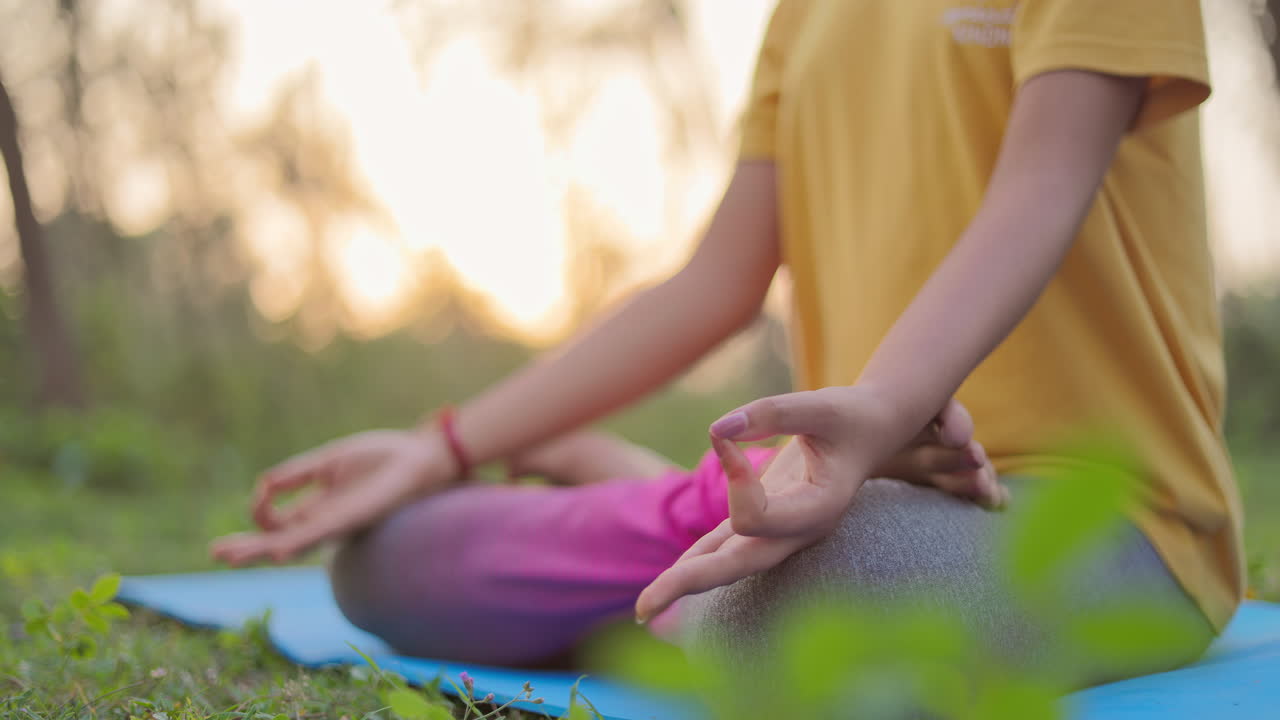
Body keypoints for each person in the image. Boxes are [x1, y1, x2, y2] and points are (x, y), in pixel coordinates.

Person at [212, 0, 1243, 684]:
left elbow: (1042, 182)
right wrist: (441, 447)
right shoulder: (806, 13)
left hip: (1096, 520)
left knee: (809, 610)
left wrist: (886, 405)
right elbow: (714, 282)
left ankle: (677, 559)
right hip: (816, 489)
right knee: (391, 568)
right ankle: (693, 545)